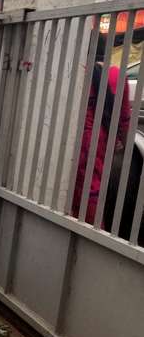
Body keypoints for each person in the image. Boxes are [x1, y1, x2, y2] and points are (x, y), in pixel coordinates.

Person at [72, 63, 132, 227]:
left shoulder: (70, 68)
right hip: (99, 143)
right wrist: (123, 147)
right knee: (92, 194)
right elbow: (125, 119)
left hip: (71, 139)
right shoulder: (117, 75)